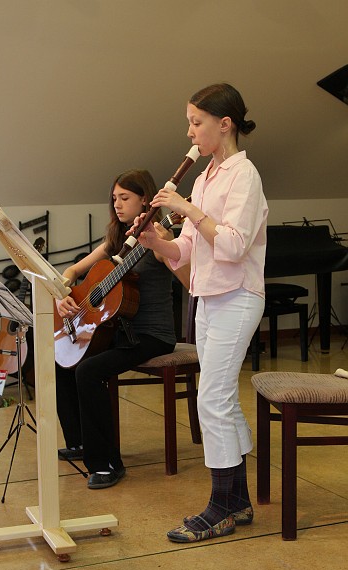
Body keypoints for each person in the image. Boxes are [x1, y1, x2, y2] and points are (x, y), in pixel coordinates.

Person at [132, 83, 268, 542]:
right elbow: (185, 250)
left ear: (224, 124)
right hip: (207, 296)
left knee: (211, 398)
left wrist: (185, 207)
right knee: (220, 397)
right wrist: (156, 241)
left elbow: (232, 245)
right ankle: (238, 501)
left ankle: (220, 507)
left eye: (196, 122)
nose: (189, 132)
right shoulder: (204, 177)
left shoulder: (244, 176)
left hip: (238, 295)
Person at [55, 169, 189, 489]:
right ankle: (80, 441)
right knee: (62, 360)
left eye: (125, 198)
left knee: (88, 371)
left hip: (152, 336)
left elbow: (188, 279)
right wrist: (64, 295)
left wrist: (164, 243)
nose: (117, 204)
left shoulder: (159, 238)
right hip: (120, 332)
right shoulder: (116, 240)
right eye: (114, 198)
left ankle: (107, 463)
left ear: (145, 199)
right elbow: (73, 271)